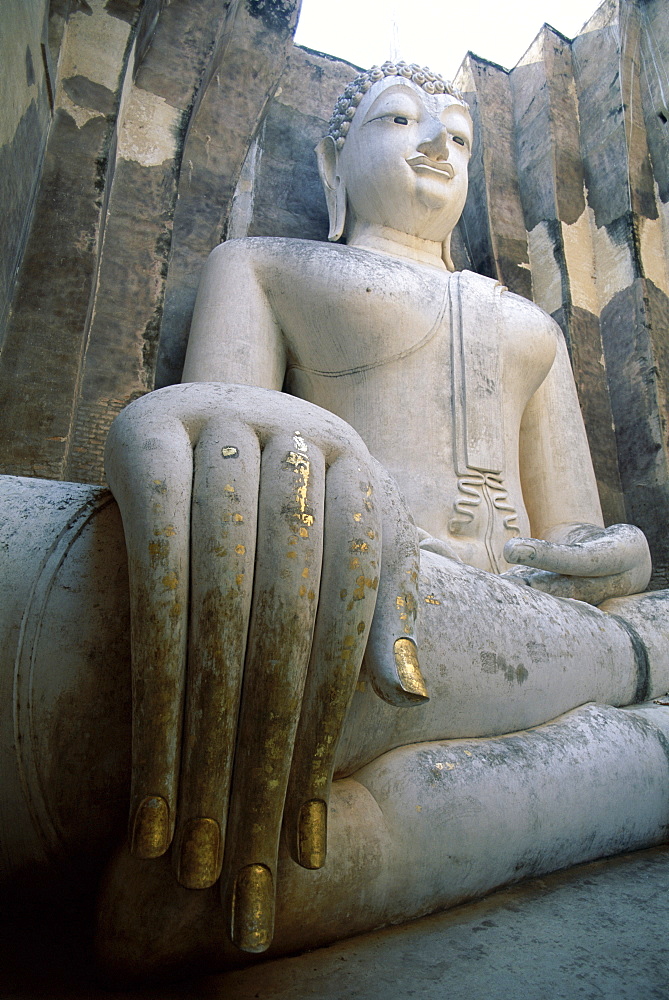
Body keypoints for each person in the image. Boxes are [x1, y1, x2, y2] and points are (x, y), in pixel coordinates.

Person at [104, 61, 662, 954]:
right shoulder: (269, 268)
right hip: (389, 604)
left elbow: (575, 534)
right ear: (334, 167)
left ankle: (381, 844)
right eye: (399, 120)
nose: (439, 142)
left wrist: (624, 557)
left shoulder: (534, 329)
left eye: (460, 136)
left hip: (544, 615)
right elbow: (228, 467)